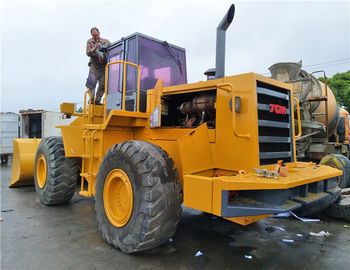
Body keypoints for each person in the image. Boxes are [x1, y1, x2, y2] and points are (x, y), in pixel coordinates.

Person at [86, 27, 111, 105]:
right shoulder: (89, 42)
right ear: (91, 35)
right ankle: (92, 100)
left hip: (104, 66)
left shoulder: (106, 41)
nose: (96, 37)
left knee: (103, 84)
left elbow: (112, 50)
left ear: (99, 33)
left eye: (96, 35)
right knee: (91, 83)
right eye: (94, 36)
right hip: (94, 66)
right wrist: (94, 48)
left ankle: (97, 100)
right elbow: (88, 53)